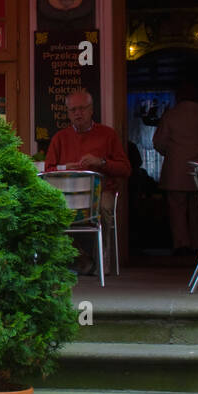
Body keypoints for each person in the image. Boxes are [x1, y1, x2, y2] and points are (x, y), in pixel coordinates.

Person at [45, 89, 131, 272]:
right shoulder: (60, 138)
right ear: (67, 113)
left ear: (91, 110)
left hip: (100, 192)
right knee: (48, 213)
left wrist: (101, 162)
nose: (78, 113)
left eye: (82, 108)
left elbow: (125, 169)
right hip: (68, 194)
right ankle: (83, 262)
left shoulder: (108, 135)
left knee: (106, 209)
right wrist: (65, 168)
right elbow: (48, 171)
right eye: (73, 109)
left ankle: (103, 264)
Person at [152, 82, 198, 255]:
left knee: (177, 209)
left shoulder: (171, 114)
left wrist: (172, 152)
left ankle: (181, 244)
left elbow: (159, 142)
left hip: (175, 170)